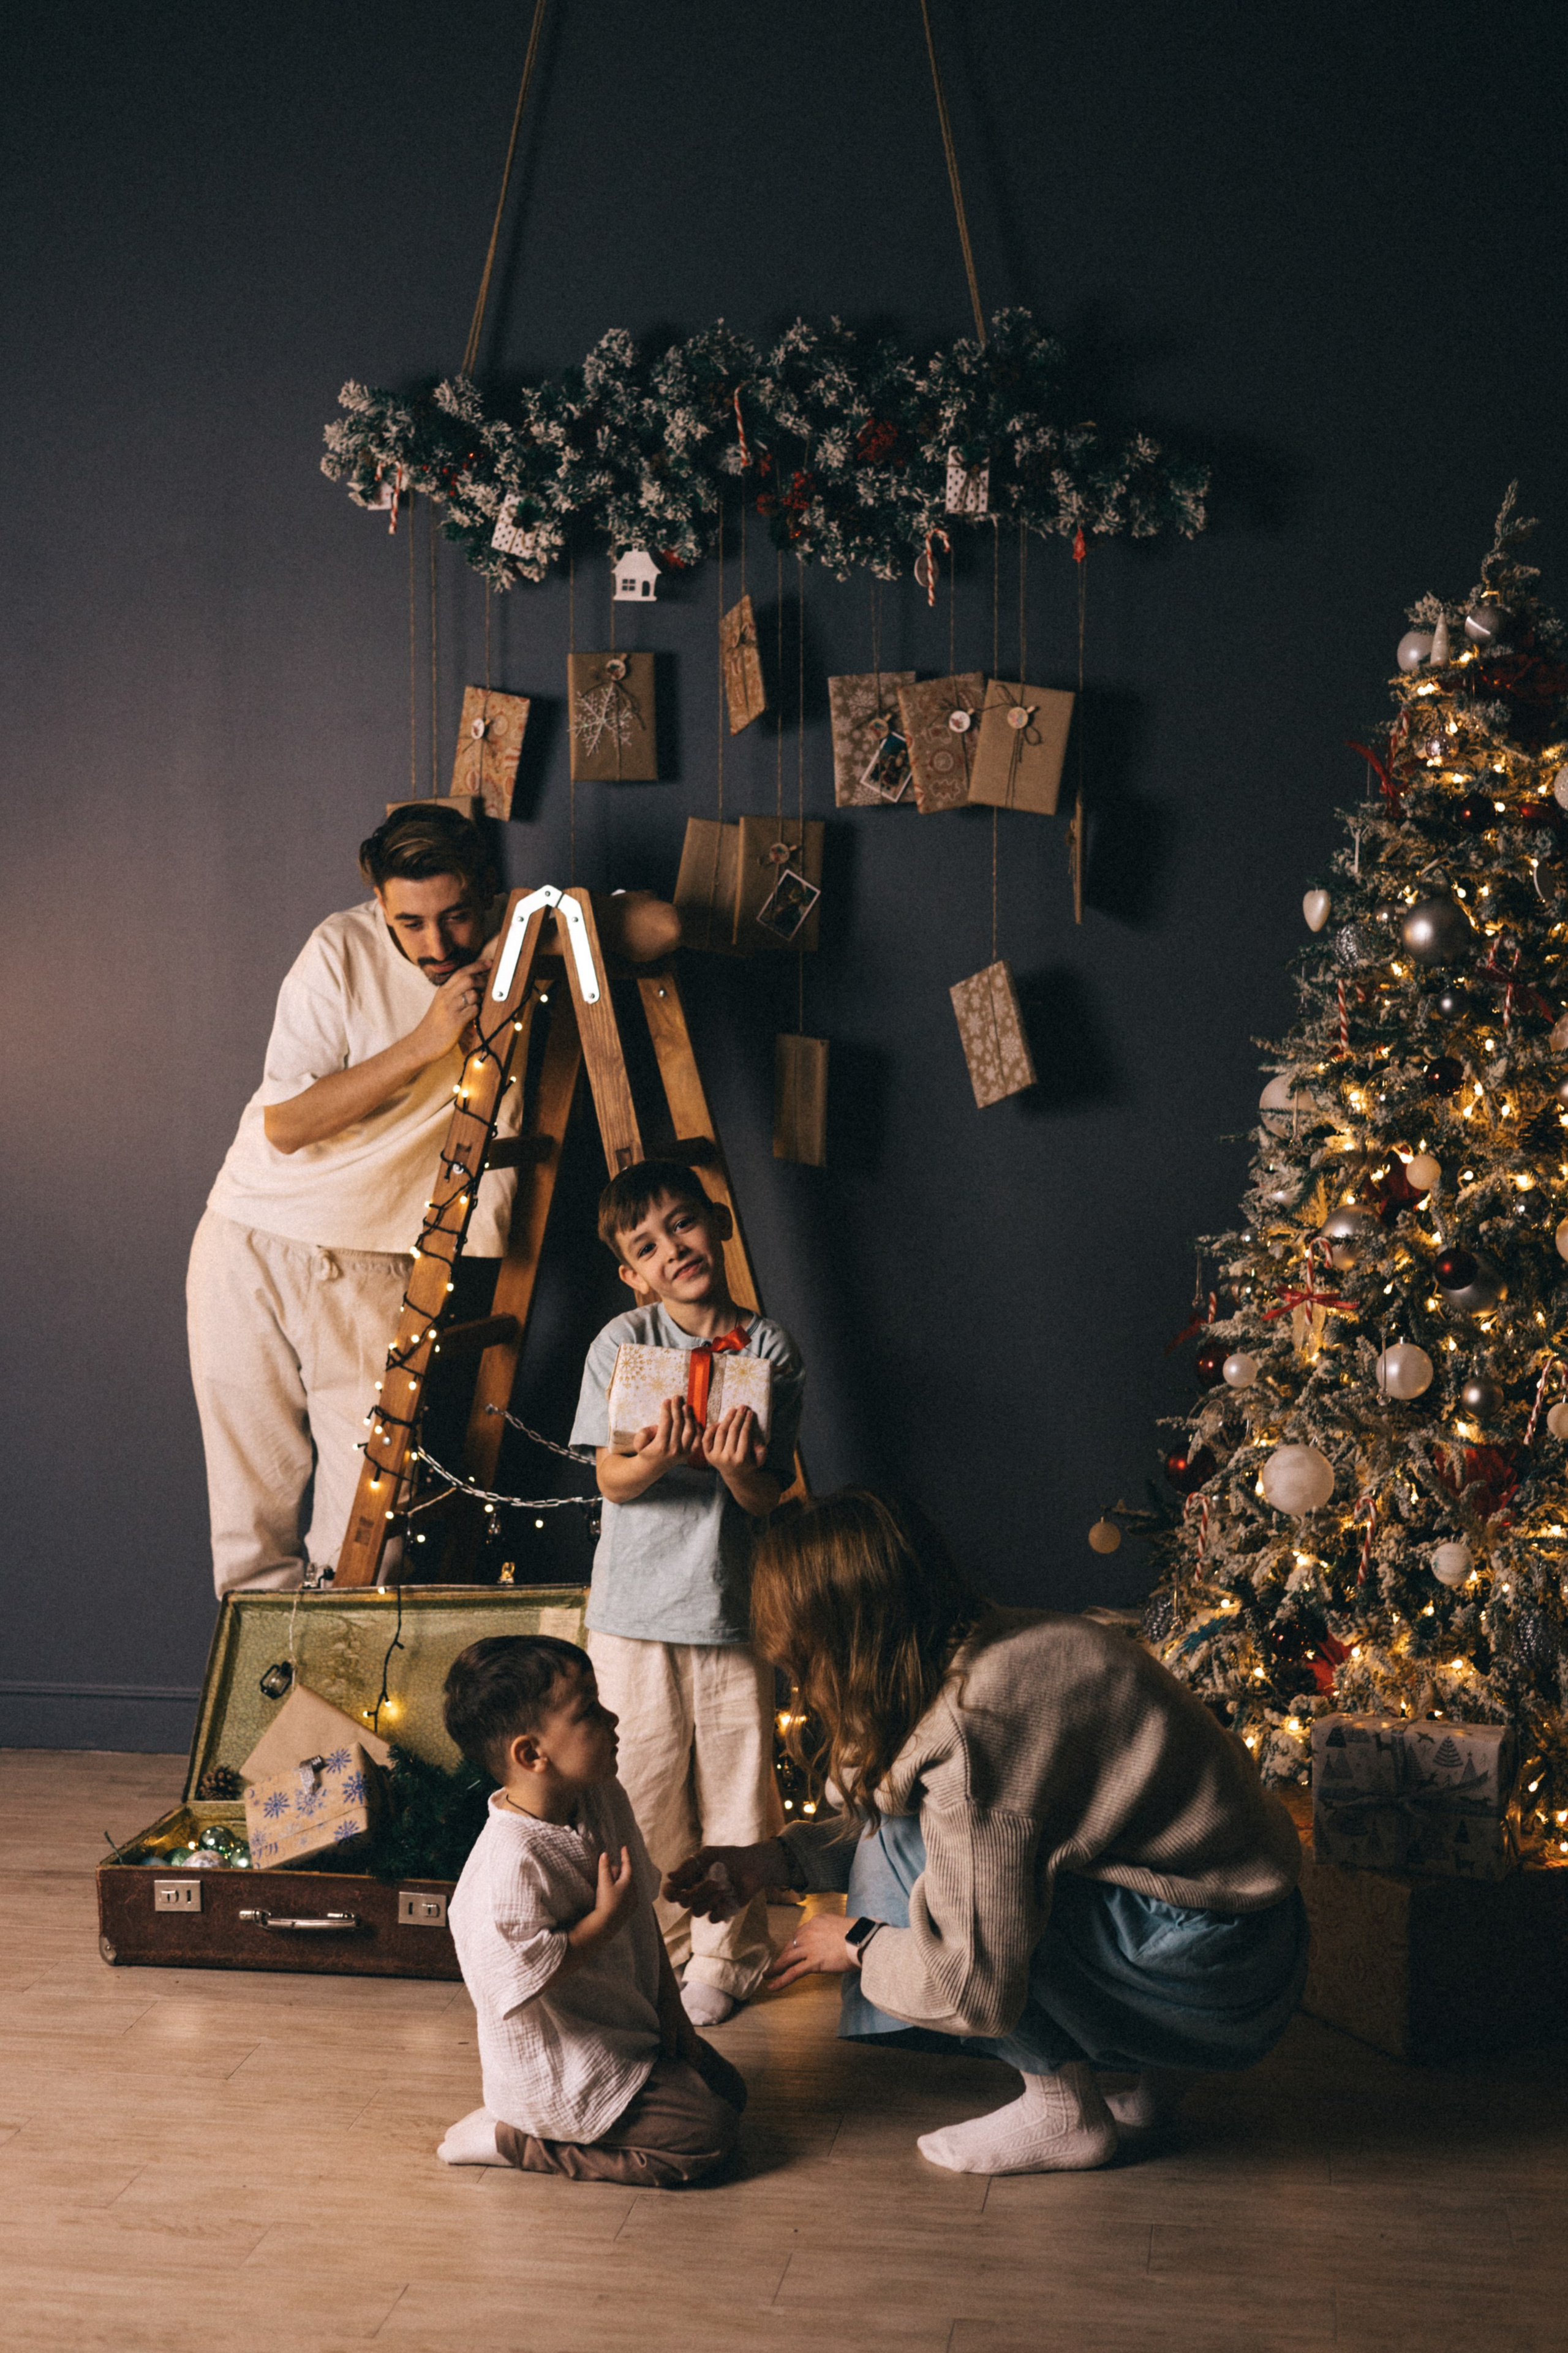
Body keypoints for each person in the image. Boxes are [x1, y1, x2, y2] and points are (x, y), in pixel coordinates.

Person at [666, 1489, 1308, 2178]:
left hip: (1215, 1970)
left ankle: (1064, 2114)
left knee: (930, 1875)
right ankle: (1156, 2086)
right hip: (1253, 1935)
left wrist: (858, 1943)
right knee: (953, 1849)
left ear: (846, 1643)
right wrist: (775, 1860)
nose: (798, 1678)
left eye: (800, 1657)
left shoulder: (972, 1733)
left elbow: (974, 1985)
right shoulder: (1002, 1640)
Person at [187, 804, 519, 1596]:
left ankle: (347, 1721)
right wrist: (428, 1040)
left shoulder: (517, 943)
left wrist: (560, 913)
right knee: (250, 1534)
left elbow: (658, 930)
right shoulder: (341, 947)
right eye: (411, 922)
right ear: (380, 905)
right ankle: (271, 1722)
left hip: (378, 1263)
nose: (437, 946)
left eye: (457, 917)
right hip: (251, 1239)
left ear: (486, 893)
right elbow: (288, 1124)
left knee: (370, 1541)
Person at [569, 1160, 805, 2028]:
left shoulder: (770, 1349)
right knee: (643, 1782)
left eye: (684, 1225)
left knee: (740, 1785)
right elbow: (612, 1478)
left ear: (719, 1225)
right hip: (633, 1612)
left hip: (734, 1607)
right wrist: (659, 1455)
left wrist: (740, 1468)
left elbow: (763, 1495)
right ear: (632, 1273)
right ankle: (660, 1947)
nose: (674, 1249)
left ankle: (728, 1956)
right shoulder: (621, 1346)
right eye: (648, 1245)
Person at [438, 1633, 747, 2186]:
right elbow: (516, 1978)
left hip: (626, 2024)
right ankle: (515, 2140)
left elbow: (638, 1910)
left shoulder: (601, 1795)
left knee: (732, 2094)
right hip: (561, 2065)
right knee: (706, 2136)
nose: (613, 1719)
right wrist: (601, 1922)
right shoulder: (508, 1863)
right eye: (589, 1712)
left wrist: (669, 2008)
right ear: (532, 1754)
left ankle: (636, 2093)